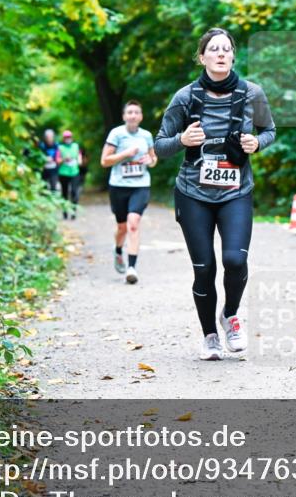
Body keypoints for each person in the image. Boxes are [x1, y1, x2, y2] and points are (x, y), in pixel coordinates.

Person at [154, 27, 276, 361]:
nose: (221, 54)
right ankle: (210, 335)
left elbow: (270, 130)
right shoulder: (185, 97)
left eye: (226, 49)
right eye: (214, 49)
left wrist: (256, 142)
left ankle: (230, 315)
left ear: (233, 55)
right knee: (204, 267)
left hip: (236, 190)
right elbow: (159, 145)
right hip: (193, 192)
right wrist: (182, 140)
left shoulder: (252, 93)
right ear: (202, 57)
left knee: (235, 260)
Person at [102, 100, 157, 284]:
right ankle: (118, 250)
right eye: (130, 112)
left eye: (136, 112)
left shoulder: (146, 136)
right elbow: (105, 161)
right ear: (124, 116)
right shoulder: (116, 134)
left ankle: (131, 267)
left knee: (133, 223)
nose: (133, 115)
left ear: (141, 116)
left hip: (140, 185)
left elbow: (153, 159)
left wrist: (148, 160)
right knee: (122, 227)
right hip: (118, 185)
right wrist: (125, 154)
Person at [56, 129, 82, 220]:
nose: (68, 139)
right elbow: (57, 160)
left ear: (72, 138)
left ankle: (74, 212)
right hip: (64, 173)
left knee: (74, 192)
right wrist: (64, 159)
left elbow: (79, 156)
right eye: (66, 137)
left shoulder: (76, 146)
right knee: (64, 193)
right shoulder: (60, 148)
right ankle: (65, 212)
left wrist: (79, 160)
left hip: (75, 172)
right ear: (63, 139)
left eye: (69, 137)